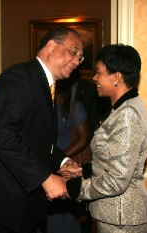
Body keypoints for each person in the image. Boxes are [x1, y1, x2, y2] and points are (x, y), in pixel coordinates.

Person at [0, 26, 84, 233]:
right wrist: (45, 177)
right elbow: (1, 134)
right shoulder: (20, 77)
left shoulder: (44, 84)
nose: (77, 61)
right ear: (51, 46)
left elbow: (32, 138)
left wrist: (62, 161)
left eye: (81, 58)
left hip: (14, 201)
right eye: (74, 52)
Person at [62, 44, 147, 233]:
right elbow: (113, 161)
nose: (94, 78)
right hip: (118, 215)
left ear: (117, 76)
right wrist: (83, 170)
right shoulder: (125, 107)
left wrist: (72, 188)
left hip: (123, 219)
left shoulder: (127, 114)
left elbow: (117, 180)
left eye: (99, 72)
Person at [46, 78, 90, 233]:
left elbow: (84, 138)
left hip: (66, 167)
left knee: (65, 219)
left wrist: (61, 159)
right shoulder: (43, 106)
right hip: (45, 167)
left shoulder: (74, 106)